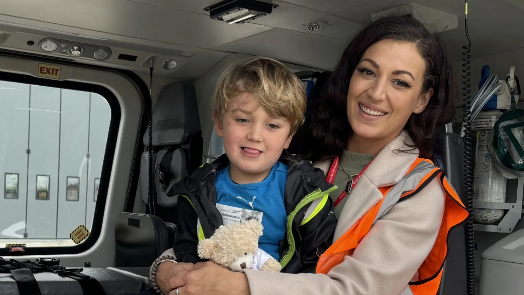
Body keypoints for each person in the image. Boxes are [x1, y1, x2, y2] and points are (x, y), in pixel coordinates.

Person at [151, 15, 471, 295]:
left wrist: (241, 286)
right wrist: (165, 268)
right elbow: (225, 237)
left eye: (400, 82)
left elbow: (356, 290)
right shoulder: (296, 156)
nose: (376, 93)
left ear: (422, 99)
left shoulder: (418, 189)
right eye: (368, 72)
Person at [147, 57, 338, 294]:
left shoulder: (307, 195)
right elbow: (187, 251)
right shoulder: (195, 191)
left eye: (273, 125)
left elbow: (318, 270)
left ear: (289, 137)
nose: (255, 135)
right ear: (219, 123)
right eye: (243, 120)